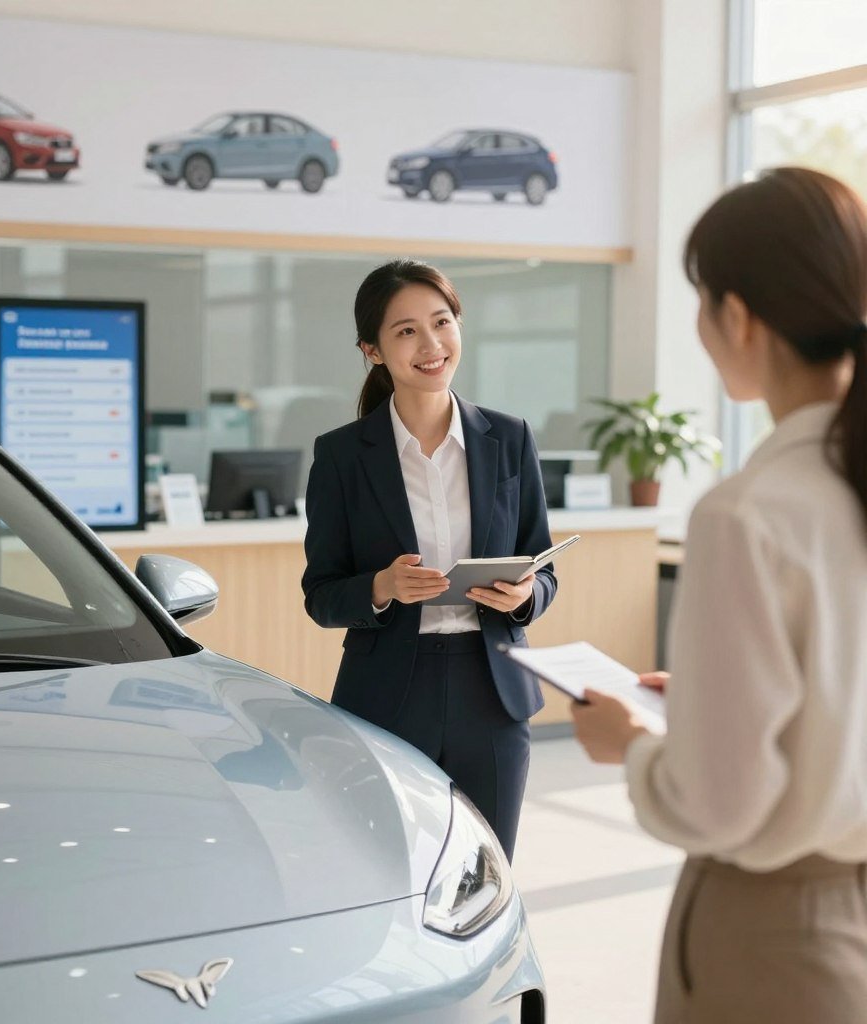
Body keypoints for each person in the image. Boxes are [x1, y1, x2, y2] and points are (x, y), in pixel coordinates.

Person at [572, 167, 867, 1023]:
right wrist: (708, 708)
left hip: (775, 937)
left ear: (736, 315)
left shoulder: (749, 515)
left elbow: (720, 803)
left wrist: (630, 743)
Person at [301, 258, 558, 859]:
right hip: (390, 690)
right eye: (406, 331)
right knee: (387, 866)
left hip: (492, 692)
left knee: (488, 867)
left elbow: (544, 569)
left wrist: (526, 595)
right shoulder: (342, 456)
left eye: (441, 322)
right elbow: (321, 595)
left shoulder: (509, 437)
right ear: (373, 350)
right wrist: (382, 587)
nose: (431, 344)